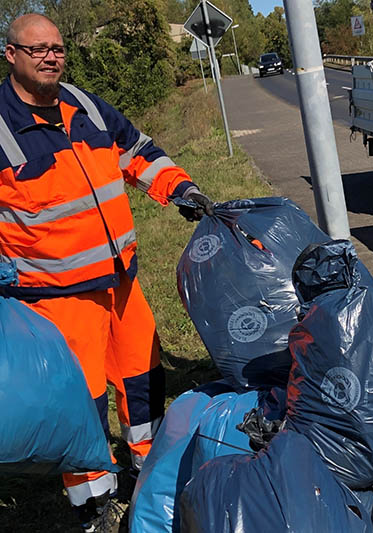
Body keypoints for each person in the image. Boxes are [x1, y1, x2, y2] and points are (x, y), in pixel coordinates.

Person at [0, 13, 215, 531]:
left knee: (142, 376)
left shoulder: (85, 106)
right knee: (85, 402)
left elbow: (136, 150)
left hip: (120, 279)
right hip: (57, 297)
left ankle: (152, 470)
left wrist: (179, 188)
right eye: (38, 49)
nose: (51, 56)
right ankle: (94, 504)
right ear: (11, 55)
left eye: (57, 48)